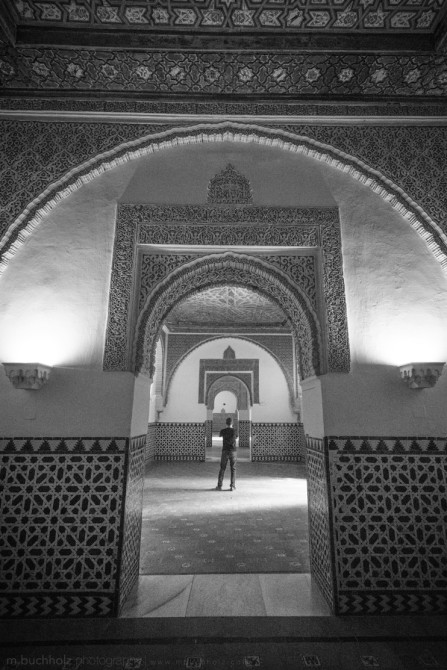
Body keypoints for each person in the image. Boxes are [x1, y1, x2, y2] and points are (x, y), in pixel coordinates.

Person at [215, 417, 237, 491]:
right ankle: (232, 486)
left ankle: (219, 485)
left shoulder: (223, 431)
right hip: (233, 451)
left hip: (225, 451)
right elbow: (236, 437)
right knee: (233, 468)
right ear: (232, 423)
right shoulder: (234, 431)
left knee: (222, 468)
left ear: (226, 423)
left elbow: (220, 435)